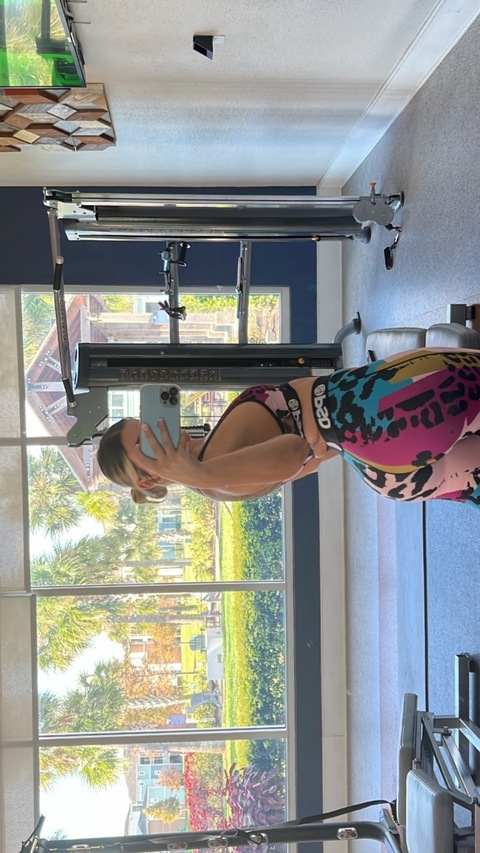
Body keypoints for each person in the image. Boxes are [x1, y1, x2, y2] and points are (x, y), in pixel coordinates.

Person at [96, 348, 480, 508]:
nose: (158, 428)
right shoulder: (211, 477)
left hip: (371, 427)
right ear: (148, 479)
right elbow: (295, 452)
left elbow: (313, 457)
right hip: (380, 413)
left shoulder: (211, 461)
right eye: (145, 438)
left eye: (147, 422)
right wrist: (198, 472)